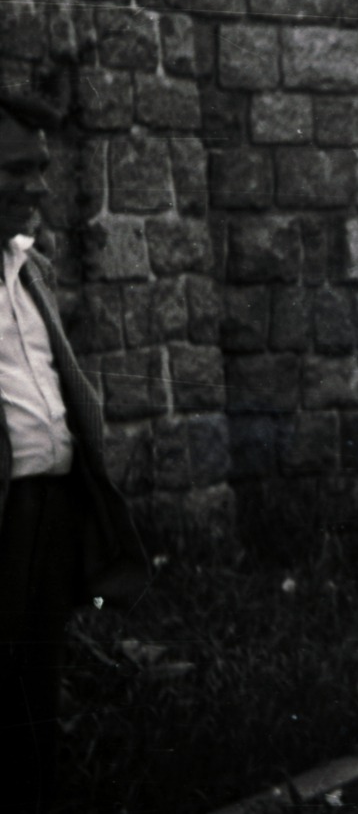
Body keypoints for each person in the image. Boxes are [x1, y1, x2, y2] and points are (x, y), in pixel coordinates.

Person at [0, 93, 147, 814]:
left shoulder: (30, 268)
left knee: (36, 686)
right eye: (19, 169)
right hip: (5, 513)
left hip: (49, 512)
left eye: (43, 169)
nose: (38, 186)